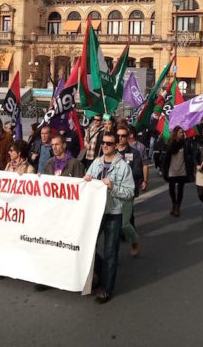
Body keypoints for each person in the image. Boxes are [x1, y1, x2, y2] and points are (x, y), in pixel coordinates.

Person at [84, 130, 135, 303]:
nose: (105, 146)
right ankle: (100, 273)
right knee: (88, 247)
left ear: (115, 146)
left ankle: (106, 288)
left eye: (109, 143)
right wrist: (87, 180)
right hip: (96, 212)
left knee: (110, 251)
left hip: (113, 213)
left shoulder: (123, 167)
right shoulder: (96, 163)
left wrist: (113, 187)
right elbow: (86, 185)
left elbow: (130, 193)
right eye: (103, 143)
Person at [116, 125, 145, 257]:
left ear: (127, 137)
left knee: (126, 220)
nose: (120, 138)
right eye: (118, 136)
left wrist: (122, 175)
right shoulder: (111, 152)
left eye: (123, 136)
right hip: (113, 190)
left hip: (128, 189)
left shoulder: (134, 153)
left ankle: (133, 240)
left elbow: (138, 171)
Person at [161, 126, 196, 217]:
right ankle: (173, 203)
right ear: (175, 133)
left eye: (182, 132)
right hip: (172, 169)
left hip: (182, 169)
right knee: (171, 189)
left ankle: (177, 206)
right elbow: (166, 156)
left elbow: (190, 154)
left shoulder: (185, 143)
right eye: (180, 132)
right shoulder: (170, 143)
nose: (181, 134)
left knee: (180, 189)